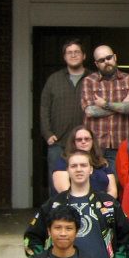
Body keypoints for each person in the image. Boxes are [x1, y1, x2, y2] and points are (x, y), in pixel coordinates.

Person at [80, 44, 129, 169]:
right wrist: (122, 105)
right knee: (96, 186)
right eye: (101, 60)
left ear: (115, 57)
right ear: (96, 64)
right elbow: (90, 111)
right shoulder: (89, 81)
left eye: (109, 57)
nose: (106, 62)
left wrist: (105, 104)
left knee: (117, 186)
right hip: (95, 146)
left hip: (121, 144)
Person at [40, 38, 89, 177]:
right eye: (69, 52)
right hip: (58, 142)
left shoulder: (93, 79)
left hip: (85, 142)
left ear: (84, 56)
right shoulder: (54, 80)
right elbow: (44, 107)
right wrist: (47, 133)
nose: (73, 55)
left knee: (86, 181)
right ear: (64, 57)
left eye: (77, 52)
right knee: (57, 184)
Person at [51, 125, 118, 197]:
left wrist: (103, 204)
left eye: (87, 139)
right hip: (72, 205)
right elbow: (64, 191)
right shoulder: (63, 162)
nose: (83, 142)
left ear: (92, 141)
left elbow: (113, 191)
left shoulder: (102, 162)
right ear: (73, 142)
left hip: (102, 205)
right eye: (79, 139)